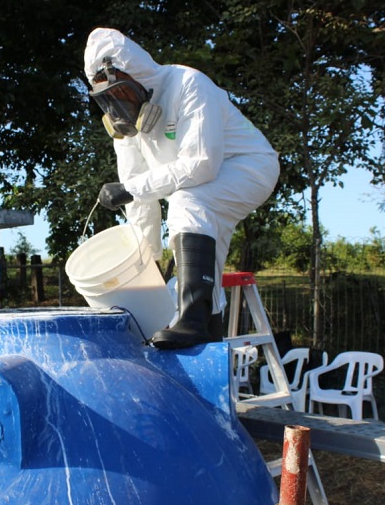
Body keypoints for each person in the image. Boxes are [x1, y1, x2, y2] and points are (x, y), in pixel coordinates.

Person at [84, 28, 280, 349]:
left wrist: (131, 188)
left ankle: (192, 321)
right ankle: (207, 334)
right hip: (207, 185)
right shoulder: (129, 130)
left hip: (250, 165)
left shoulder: (188, 84)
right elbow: (139, 202)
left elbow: (202, 163)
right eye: (107, 100)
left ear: (135, 74)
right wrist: (150, 264)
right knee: (205, 258)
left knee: (188, 201)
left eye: (120, 94)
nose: (116, 108)